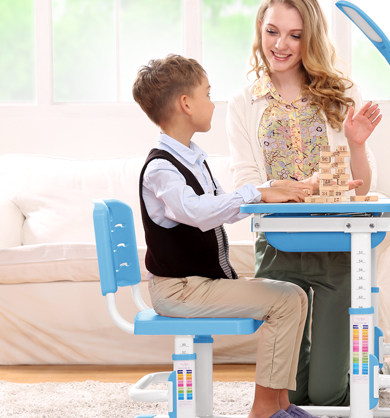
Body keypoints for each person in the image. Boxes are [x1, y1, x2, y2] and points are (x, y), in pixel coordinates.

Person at [226, 0, 390, 407]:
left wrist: (357, 144)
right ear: (260, 29)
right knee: (290, 393)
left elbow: (361, 188)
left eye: (295, 35)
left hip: (336, 245)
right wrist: (296, 188)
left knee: (330, 395)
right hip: (277, 246)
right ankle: (379, 365)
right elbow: (245, 184)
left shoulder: (340, 93)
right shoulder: (243, 102)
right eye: (273, 31)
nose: (281, 44)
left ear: (310, 38)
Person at [133, 53, 318, 418]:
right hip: (180, 290)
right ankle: (264, 410)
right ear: (186, 104)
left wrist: (271, 189)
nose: (213, 102)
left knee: (295, 295)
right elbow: (197, 213)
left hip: (197, 285)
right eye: (207, 93)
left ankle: (281, 404)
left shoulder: (193, 160)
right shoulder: (161, 169)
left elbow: (222, 207)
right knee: (284, 301)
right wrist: (257, 193)